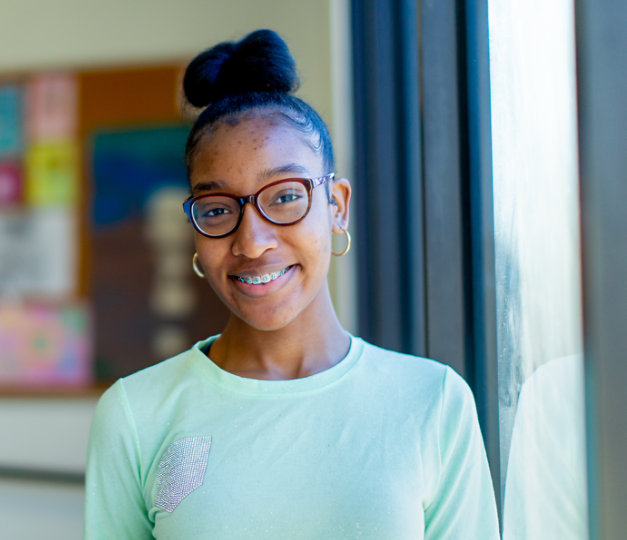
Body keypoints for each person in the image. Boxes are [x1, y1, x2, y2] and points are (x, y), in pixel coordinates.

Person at [84, 29, 499, 539]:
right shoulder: (136, 414)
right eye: (218, 209)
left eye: (284, 197)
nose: (252, 242)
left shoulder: (431, 402)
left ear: (337, 206)